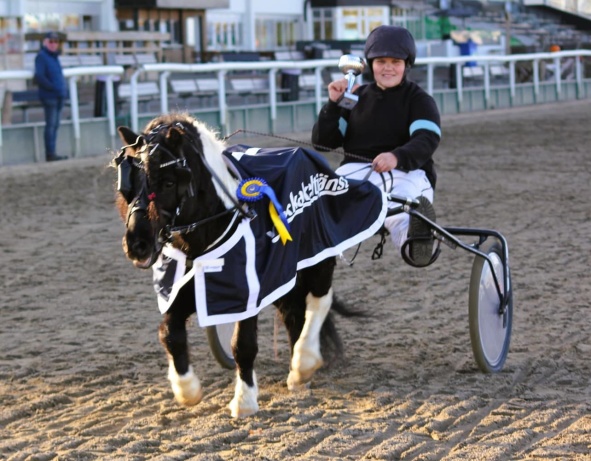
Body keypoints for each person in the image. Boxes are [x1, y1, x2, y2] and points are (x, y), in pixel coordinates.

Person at [311, 25, 441, 266]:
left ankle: (415, 239)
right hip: (356, 173)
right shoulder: (355, 96)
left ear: (407, 64)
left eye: (395, 61)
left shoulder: (419, 100)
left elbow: (426, 139)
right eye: (381, 61)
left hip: (407, 173)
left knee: (398, 208)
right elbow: (323, 143)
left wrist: (396, 156)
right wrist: (332, 104)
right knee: (320, 201)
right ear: (371, 64)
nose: (388, 67)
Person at [34, 31, 68, 162]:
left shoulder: (54, 57)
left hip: (58, 95)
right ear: (45, 42)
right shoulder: (42, 57)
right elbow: (40, 76)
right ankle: (50, 153)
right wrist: (53, 87)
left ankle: (52, 152)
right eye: (51, 41)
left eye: (56, 42)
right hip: (50, 96)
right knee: (51, 125)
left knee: (55, 125)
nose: (54, 44)